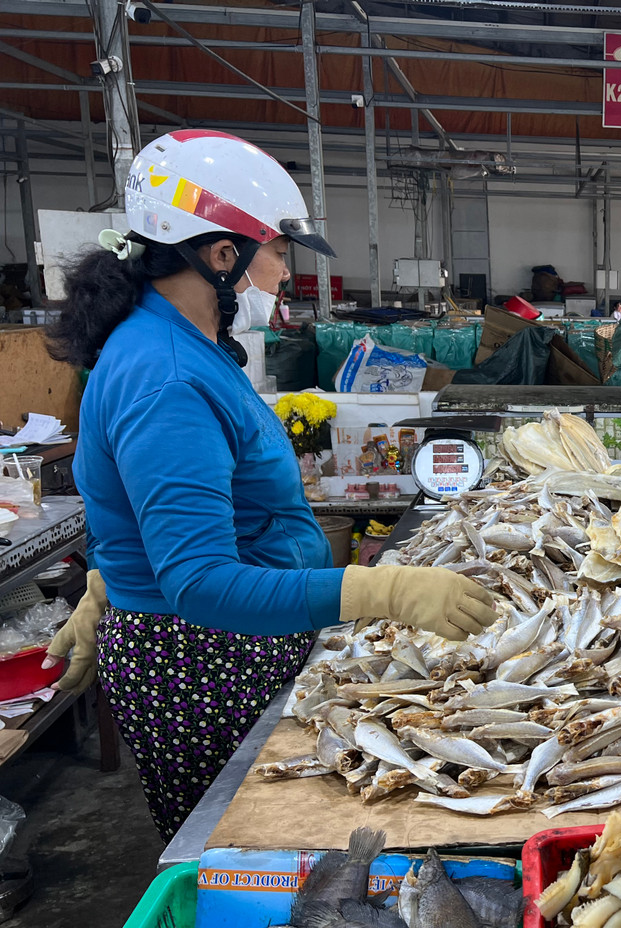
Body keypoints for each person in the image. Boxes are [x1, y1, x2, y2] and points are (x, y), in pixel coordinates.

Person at [41, 130, 497, 840]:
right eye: (281, 252)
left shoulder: (186, 346)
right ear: (221, 254)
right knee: (251, 853)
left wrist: (108, 584)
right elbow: (198, 581)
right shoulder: (167, 376)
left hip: (226, 639)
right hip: (203, 657)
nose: (287, 273)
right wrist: (382, 592)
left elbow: (148, 506)